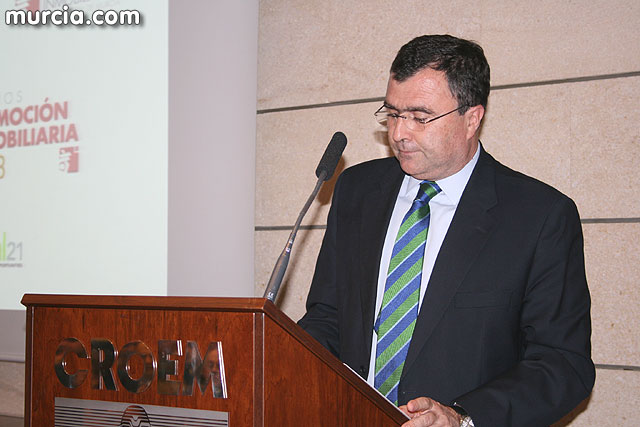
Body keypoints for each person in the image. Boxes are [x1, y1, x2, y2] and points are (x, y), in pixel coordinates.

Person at [298, 34, 595, 427]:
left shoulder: (539, 216)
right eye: (392, 113)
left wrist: (463, 417)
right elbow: (327, 317)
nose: (399, 133)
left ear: (472, 118)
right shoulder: (357, 190)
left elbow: (562, 365)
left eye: (420, 117)